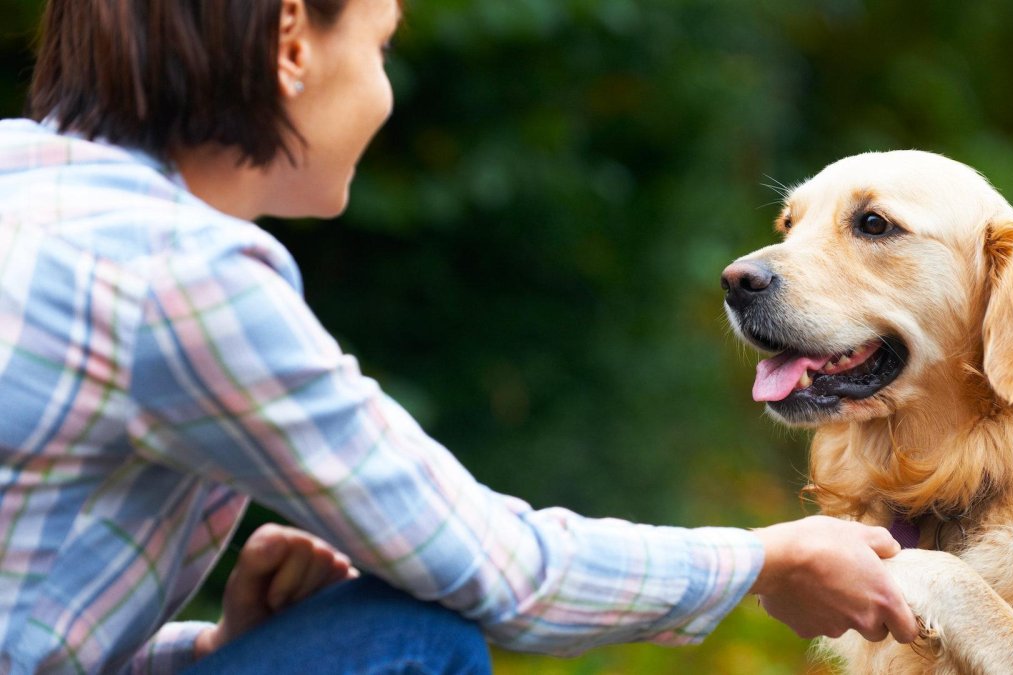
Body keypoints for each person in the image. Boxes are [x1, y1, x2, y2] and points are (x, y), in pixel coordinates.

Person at [0, 0, 918, 672]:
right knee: (411, 636)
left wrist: (211, 649)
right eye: (380, 44)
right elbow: (498, 568)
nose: (386, 93)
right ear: (291, 42)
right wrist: (765, 558)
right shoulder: (184, 275)